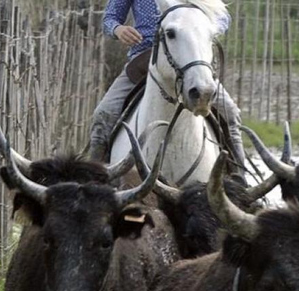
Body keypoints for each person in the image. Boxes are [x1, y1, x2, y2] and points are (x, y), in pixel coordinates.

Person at [90, 0, 248, 182]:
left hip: (188, 62)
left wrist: (205, 27)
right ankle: (95, 183)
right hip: (142, 62)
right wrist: (118, 29)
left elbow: (223, 17)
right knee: (104, 113)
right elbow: (110, 18)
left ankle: (239, 180)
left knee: (230, 113)